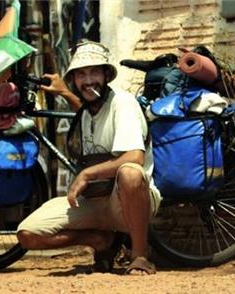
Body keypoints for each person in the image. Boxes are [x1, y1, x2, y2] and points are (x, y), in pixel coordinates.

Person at [16, 40, 160, 275]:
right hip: (94, 201)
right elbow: (85, 109)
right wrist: (63, 91)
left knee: (130, 173)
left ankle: (140, 255)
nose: (88, 80)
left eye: (94, 72)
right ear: (74, 80)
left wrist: (86, 173)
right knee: (27, 235)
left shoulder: (122, 103)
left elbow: (135, 157)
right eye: (81, 74)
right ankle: (100, 240)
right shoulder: (86, 112)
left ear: (106, 75)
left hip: (126, 203)